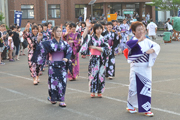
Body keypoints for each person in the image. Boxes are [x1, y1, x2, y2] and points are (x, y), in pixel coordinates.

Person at [125, 21, 160, 117]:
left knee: (146, 88)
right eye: (139, 30)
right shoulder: (132, 41)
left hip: (145, 68)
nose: (141, 31)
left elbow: (157, 46)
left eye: (142, 29)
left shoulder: (148, 41)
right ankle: (130, 105)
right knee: (133, 87)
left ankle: (146, 109)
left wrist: (152, 50)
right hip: (136, 68)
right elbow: (128, 45)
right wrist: (139, 41)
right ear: (133, 31)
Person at [33, 26, 72, 107]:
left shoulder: (64, 43)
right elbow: (40, 47)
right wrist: (38, 40)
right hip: (53, 66)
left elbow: (69, 51)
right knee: (52, 83)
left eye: (60, 31)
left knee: (63, 82)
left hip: (62, 66)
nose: (59, 33)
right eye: (57, 31)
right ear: (53, 33)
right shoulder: (49, 42)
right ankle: (53, 98)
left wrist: (67, 58)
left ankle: (61, 100)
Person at [80, 19, 110, 98]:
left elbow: (107, 49)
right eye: (97, 29)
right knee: (93, 74)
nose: (99, 30)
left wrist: (95, 47)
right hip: (93, 58)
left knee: (101, 75)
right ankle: (93, 91)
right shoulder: (91, 37)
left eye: (100, 29)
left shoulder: (103, 38)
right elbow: (84, 37)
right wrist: (87, 28)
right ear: (94, 30)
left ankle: (99, 91)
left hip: (102, 59)